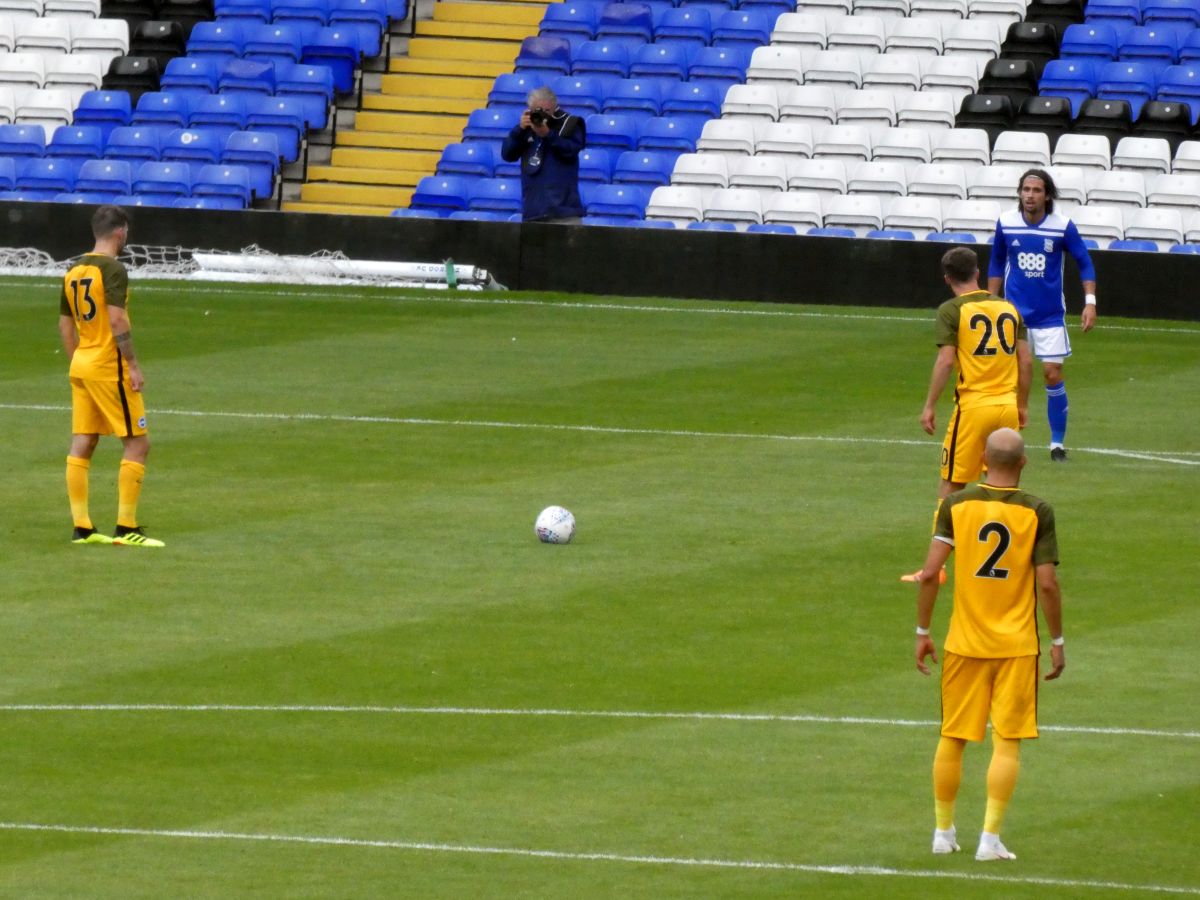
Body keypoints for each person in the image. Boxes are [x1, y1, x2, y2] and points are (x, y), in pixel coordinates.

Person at [913, 427, 1065, 862]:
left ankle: (943, 833)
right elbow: (1048, 585)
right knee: (1007, 740)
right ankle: (989, 840)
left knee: (953, 736)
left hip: (964, 643)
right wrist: (1057, 639)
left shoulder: (956, 506)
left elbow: (929, 574)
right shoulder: (1038, 511)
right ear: (1023, 462)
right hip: (1017, 646)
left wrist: (923, 633)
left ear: (982, 458)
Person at [901, 247, 1032, 583]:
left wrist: (929, 405)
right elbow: (1026, 361)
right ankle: (1007, 559)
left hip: (974, 408)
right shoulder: (1008, 307)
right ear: (978, 272)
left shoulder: (951, 310)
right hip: (1006, 407)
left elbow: (946, 361)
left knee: (951, 486)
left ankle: (935, 569)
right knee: (1003, 483)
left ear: (947, 279)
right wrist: (1022, 405)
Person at [59, 205, 164, 548]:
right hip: (108, 366)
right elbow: (117, 320)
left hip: (83, 363)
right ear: (120, 233)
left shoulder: (74, 268)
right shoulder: (114, 269)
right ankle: (125, 528)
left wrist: (79, 363)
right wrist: (132, 364)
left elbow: (64, 324)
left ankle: (83, 528)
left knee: (84, 441)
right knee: (138, 442)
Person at [987, 168, 1097, 462]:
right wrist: (990, 301)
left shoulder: (1062, 226)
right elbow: (996, 261)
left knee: (1052, 373)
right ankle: (1004, 441)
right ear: (1019, 193)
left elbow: (1084, 262)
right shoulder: (1006, 223)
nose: (1030, 196)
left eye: (1036, 191)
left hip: (1049, 316)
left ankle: (1056, 444)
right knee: (1007, 379)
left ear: (1047, 195)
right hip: (1014, 317)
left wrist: (1090, 302)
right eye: (1025, 190)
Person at [500, 86, 586, 223]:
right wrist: (519, 129)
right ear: (530, 109)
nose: (542, 115)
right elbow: (507, 155)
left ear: (554, 106)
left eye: (546, 111)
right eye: (537, 111)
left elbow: (570, 150)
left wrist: (548, 135)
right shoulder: (526, 129)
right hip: (533, 211)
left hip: (564, 211)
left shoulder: (570, 124)